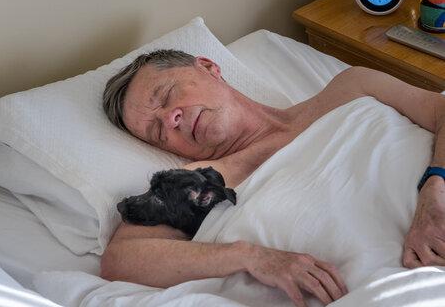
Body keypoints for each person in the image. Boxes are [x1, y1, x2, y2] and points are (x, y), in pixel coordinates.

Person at [100, 49, 445, 307]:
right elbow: (121, 259)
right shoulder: (201, 185)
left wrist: (436, 184)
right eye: (157, 132)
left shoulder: (351, 89)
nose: (170, 119)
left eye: (167, 96)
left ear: (208, 67)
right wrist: (248, 256)